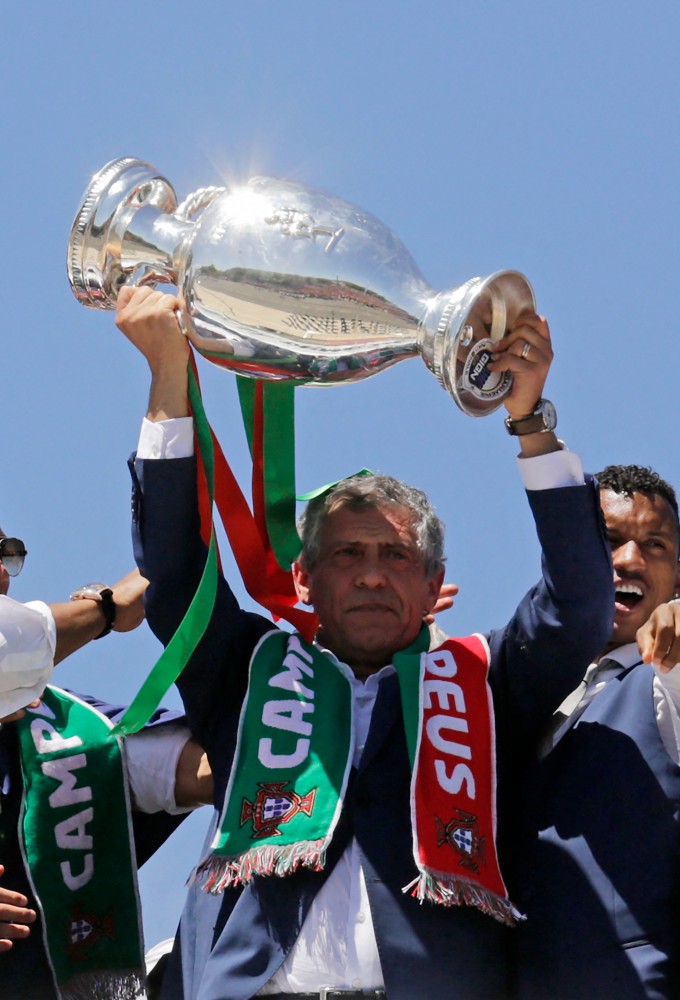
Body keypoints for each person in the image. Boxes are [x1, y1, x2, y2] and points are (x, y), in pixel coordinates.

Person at [116, 285, 613, 1000]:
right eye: (348, 556)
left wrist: (528, 418)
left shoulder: (486, 681)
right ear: (305, 578)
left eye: (397, 556)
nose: (374, 576)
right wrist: (167, 373)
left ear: (434, 578)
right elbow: (173, 570)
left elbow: (582, 604)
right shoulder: (245, 672)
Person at [0, 531, 213, 999]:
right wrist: (107, 610)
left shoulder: (69, 728)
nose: (0, 570)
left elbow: (215, 768)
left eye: (4, 553)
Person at [513, 464, 680, 1000]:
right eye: (608, 541)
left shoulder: (666, 685)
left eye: (655, 545)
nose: (629, 561)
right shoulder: (528, 691)